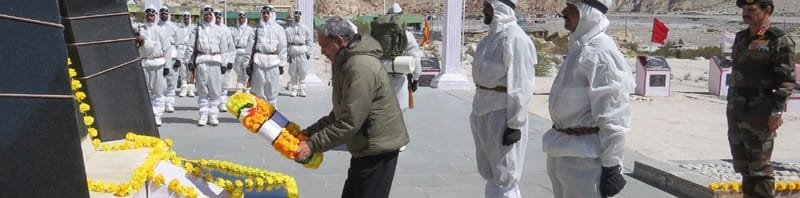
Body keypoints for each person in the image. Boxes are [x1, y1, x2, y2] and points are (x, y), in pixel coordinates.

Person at [295, 16, 409, 198]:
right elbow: (339, 114)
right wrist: (308, 133)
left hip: (378, 148)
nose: (323, 52)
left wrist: (312, 145)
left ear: (340, 41)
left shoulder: (360, 67)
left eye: (324, 46)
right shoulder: (346, 63)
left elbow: (349, 121)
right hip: (365, 146)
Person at [542, 0, 634, 197]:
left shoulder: (601, 53)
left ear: (588, 13)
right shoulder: (579, 49)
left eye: (572, 8)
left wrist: (611, 166)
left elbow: (613, 116)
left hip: (586, 162)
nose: (564, 11)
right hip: (561, 151)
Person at [728, 0, 796, 196]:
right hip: (737, 111)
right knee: (743, 164)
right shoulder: (741, 38)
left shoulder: (778, 40)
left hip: (760, 112)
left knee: (759, 167)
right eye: (743, 10)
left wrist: (776, 111)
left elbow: (786, 81)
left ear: (767, 10)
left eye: (750, 9)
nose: (745, 14)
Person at [470, 0, 536, 197]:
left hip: (502, 114)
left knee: (506, 174)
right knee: (491, 173)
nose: (484, 9)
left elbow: (521, 85)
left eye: (487, 5)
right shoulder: (490, 39)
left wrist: (515, 124)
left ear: (499, 7)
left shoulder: (515, 39)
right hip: (483, 109)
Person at [185, 5, 226, 126]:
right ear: (203, 16)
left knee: (215, 89)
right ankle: (203, 114)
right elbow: (190, 47)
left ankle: (213, 115)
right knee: (202, 89)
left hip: (215, 61)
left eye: (210, 14)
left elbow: (224, 49)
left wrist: (224, 63)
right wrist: (189, 61)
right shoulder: (197, 30)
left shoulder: (219, 30)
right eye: (205, 14)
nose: (208, 16)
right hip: (201, 61)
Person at [385, 3, 423, 111]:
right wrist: (416, 78)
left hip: (381, 80)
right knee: (399, 115)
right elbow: (415, 57)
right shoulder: (407, 35)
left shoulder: (378, 35)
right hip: (400, 80)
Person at [247, 5, 287, 105]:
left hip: (273, 63)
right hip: (258, 62)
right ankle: (260, 115)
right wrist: (247, 64)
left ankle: (271, 114)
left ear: (272, 14)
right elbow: (249, 48)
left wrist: (282, 64)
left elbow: (283, 47)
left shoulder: (279, 29)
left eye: (267, 13)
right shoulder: (256, 29)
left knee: (272, 90)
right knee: (258, 89)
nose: (265, 15)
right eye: (263, 13)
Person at [137, 7, 170, 126]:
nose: (150, 18)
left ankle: (157, 115)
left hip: (158, 63)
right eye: (148, 16)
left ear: (155, 16)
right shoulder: (140, 29)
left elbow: (167, 48)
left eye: (152, 16)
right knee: (146, 91)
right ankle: (148, 115)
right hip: (145, 63)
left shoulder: (160, 30)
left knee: (158, 91)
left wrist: (168, 65)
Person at [284, 10, 314, 97]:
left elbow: (309, 41)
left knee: (302, 71)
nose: (297, 17)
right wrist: (287, 54)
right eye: (295, 15)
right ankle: (294, 88)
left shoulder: (306, 29)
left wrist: (309, 52)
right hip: (293, 51)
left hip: (302, 51)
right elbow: (286, 43)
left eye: (298, 15)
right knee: (293, 72)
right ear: (294, 17)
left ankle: (302, 89)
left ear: (300, 17)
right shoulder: (288, 30)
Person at [157, 6, 180, 113]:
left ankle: (169, 103)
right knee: (160, 82)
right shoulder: (156, 27)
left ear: (168, 14)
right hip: (160, 56)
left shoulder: (174, 27)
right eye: (162, 13)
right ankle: (160, 103)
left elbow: (180, 44)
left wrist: (179, 58)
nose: (163, 15)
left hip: (173, 56)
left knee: (172, 81)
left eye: (165, 13)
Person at [214, 10, 236, 112]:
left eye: (219, 15)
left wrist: (230, 61)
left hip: (225, 58)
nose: (217, 17)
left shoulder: (226, 30)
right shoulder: (208, 28)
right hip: (213, 59)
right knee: (213, 83)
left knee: (224, 83)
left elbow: (231, 47)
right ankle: (213, 103)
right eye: (215, 15)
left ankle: (222, 102)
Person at [232, 12, 253, 92]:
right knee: (238, 71)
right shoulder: (234, 30)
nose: (241, 20)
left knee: (246, 71)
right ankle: (239, 87)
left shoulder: (250, 30)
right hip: (237, 52)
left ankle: (246, 87)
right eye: (240, 18)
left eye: (243, 18)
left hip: (246, 52)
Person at [176, 12, 195, 98]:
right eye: (185, 19)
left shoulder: (194, 28)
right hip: (181, 50)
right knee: (182, 70)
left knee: (191, 70)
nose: (186, 20)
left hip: (191, 50)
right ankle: (183, 88)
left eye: (188, 19)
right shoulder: (179, 28)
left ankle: (191, 89)